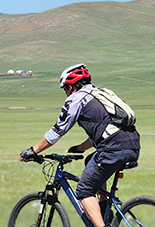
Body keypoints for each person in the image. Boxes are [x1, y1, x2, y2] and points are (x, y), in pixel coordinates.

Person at [20, 64, 140, 227]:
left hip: (112, 149)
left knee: (84, 190)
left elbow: (57, 131)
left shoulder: (76, 99)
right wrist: (78, 149)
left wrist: (33, 151)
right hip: (131, 145)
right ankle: (105, 212)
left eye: (65, 89)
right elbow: (106, 131)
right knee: (91, 160)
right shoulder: (101, 94)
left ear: (70, 87)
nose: (66, 93)